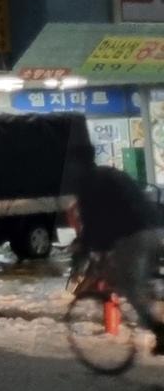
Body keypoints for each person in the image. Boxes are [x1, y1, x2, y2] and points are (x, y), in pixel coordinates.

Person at [70, 139, 164, 351]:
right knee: (144, 279)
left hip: (134, 236)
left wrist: (85, 249)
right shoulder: (111, 173)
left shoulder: (87, 183)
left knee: (130, 285)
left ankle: (160, 331)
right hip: (156, 229)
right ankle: (153, 301)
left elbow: (92, 223)